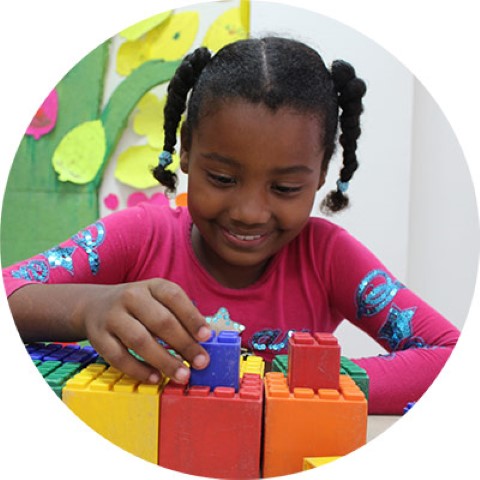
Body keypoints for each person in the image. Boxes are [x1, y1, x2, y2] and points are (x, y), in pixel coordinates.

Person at [2, 37, 459, 414]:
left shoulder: (328, 257)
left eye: (284, 188)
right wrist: (89, 307)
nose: (249, 212)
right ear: (185, 151)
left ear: (320, 175)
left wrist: (298, 384)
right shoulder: (141, 236)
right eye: (222, 178)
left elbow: (450, 358)